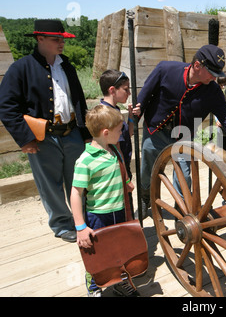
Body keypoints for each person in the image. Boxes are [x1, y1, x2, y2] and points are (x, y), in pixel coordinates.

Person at [135, 45, 226, 211]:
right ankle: (145, 197)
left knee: (184, 175)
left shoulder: (213, 91)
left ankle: (183, 207)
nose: (215, 78)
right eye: (212, 73)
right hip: (156, 130)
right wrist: (135, 113)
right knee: (146, 171)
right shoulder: (166, 69)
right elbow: (143, 97)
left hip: (183, 136)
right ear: (198, 65)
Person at [0, 19, 91, 243]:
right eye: (55, 39)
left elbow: (78, 101)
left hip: (72, 133)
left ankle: (83, 219)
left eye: (62, 39)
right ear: (40, 39)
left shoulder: (67, 66)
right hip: (43, 138)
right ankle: (62, 225)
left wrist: (86, 134)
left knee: (79, 180)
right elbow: (6, 106)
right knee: (50, 184)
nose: (61, 43)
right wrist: (26, 139)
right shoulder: (21, 68)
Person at [71, 105, 136, 297]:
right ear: (106, 133)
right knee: (98, 254)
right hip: (98, 215)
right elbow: (76, 193)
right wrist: (80, 226)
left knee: (121, 251)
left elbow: (119, 169)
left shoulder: (114, 151)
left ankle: (120, 282)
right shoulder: (85, 161)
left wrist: (126, 183)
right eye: (119, 130)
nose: (121, 133)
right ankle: (94, 286)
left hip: (120, 211)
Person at [99, 70, 135, 216]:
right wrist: (126, 179)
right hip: (117, 170)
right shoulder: (107, 114)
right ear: (112, 90)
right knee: (124, 206)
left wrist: (131, 116)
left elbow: (129, 133)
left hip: (122, 166)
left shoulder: (114, 110)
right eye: (126, 89)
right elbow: (117, 148)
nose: (129, 93)